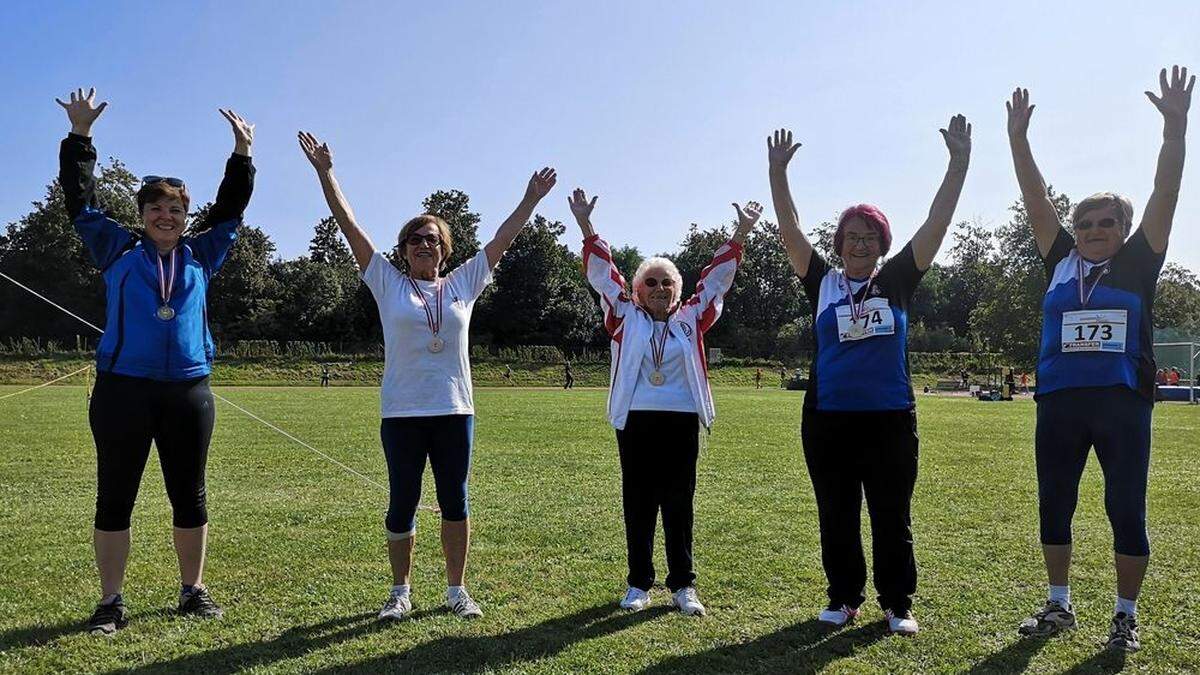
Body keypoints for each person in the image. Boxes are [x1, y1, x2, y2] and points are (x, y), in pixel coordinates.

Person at [299, 130, 557, 621]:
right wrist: (326, 174)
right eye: (415, 239)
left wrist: (530, 199)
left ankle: (457, 590)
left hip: (455, 410)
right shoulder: (386, 283)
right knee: (402, 501)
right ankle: (400, 590)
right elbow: (349, 225)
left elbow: (504, 237)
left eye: (432, 239)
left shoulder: (463, 282)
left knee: (455, 500)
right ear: (403, 249)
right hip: (402, 411)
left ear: (444, 250)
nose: (424, 244)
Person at [1006, 66, 1192, 652]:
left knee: (1124, 507)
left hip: (1121, 402)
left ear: (1126, 228)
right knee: (1055, 501)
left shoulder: (1139, 261)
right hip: (1059, 400)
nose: (1091, 230)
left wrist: (1175, 132)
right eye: (1084, 223)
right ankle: (1058, 604)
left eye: (1104, 222)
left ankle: (1125, 614)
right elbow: (1036, 197)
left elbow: (1166, 193)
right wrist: (1018, 140)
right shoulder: (1059, 259)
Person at [57, 88, 255, 634]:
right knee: (115, 494)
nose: (165, 216)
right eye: (156, 209)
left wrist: (241, 154)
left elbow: (232, 207)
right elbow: (80, 202)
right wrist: (80, 138)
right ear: (141, 216)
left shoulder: (202, 255)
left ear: (185, 217)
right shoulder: (116, 249)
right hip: (122, 388)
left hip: (188, 389)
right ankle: (110, 602)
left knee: (189, 494)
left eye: (175, 209)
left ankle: (193, 591)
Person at [768, 113, 972, 635]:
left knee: (890, 515)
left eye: (869, 237)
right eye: (850, 237)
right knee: (836, 513)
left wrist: (958, 162)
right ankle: (843, 597)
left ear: (883, 243)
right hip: (829, 418)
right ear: (838, 243)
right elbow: (789, 228)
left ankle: (898, 603)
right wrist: (778, 173)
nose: (859, 245)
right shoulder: (821, 282)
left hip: (889, 418)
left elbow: (937, 223)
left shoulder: (899, 278)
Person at [571, 187, 759, 616]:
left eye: (666, 282)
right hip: (635, 419)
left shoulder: (692, 316)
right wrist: (586, 224)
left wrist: (741, 233)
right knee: (637, 500)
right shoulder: (623, 315)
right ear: (637, 290)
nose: (658, 288)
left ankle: (683, 586)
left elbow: (717, 279)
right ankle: (639, 583)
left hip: (681, 418)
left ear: (677, 290)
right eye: (650, 282)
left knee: (679, 499)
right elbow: (602, 273)